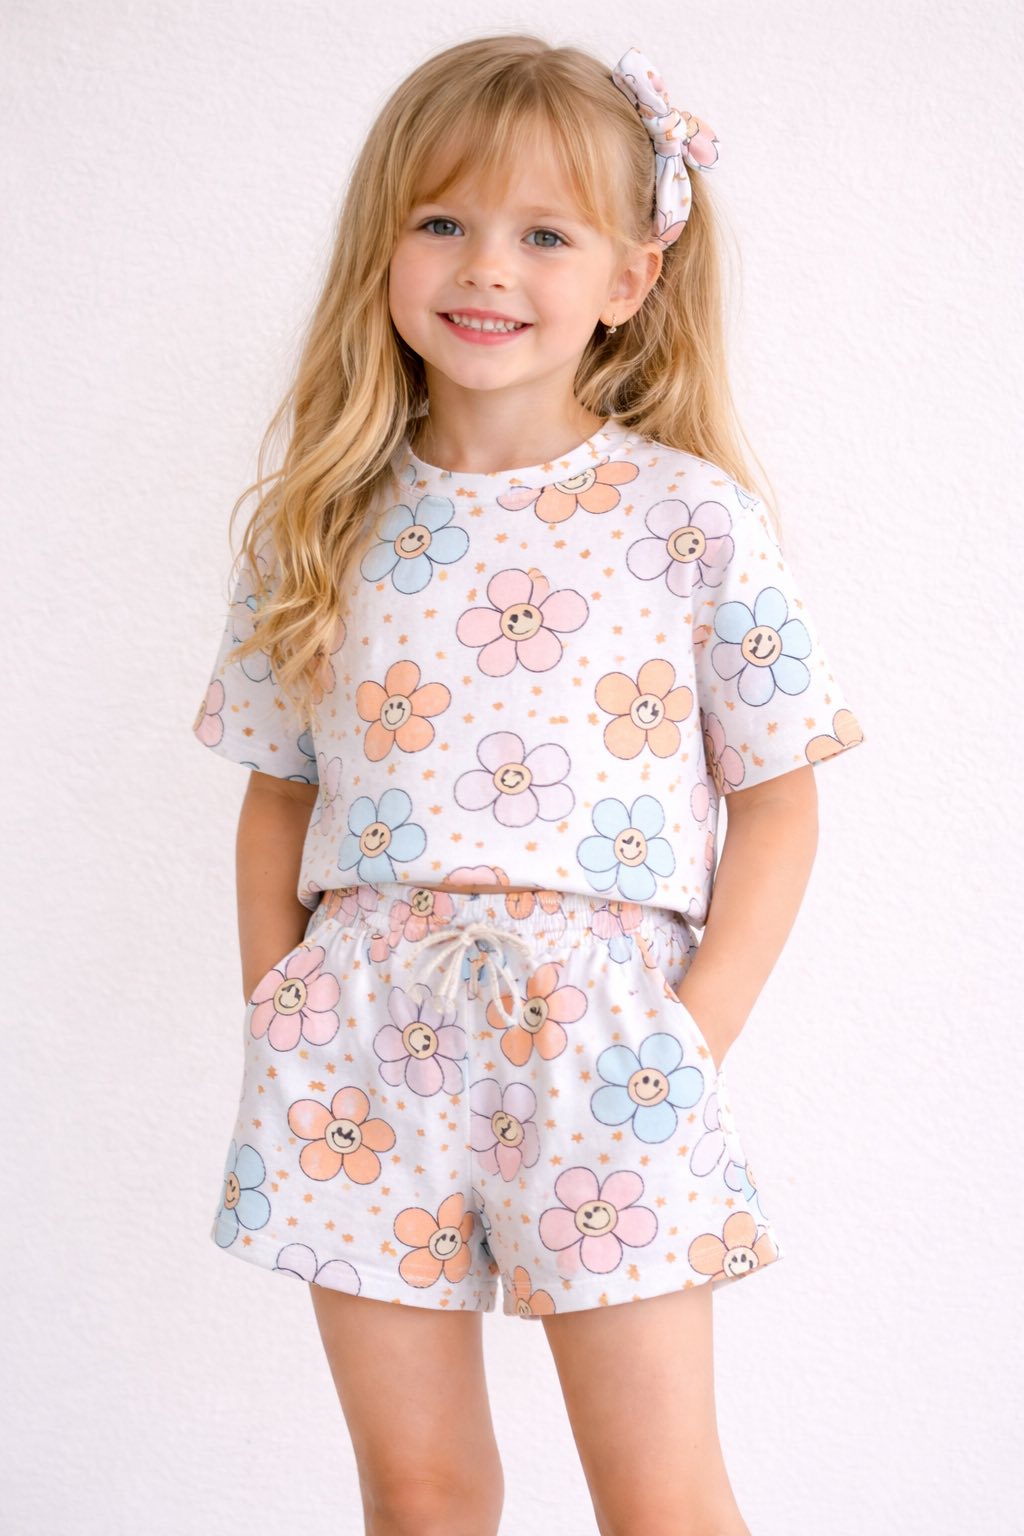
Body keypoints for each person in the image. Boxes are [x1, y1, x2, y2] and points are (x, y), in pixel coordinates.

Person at [191, 32, 865, 1536]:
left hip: (611, 1043)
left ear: (631, 275)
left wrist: (686, 1039)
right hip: (360, 1040)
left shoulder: (689, 518)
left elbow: (781, 797)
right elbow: (278, 792)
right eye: (442, 220)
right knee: (421, 1493)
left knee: (660, 1497)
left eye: (545, 234)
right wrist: (279, 1004)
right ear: (382, 248)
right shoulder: (320, 524)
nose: (486, 267)